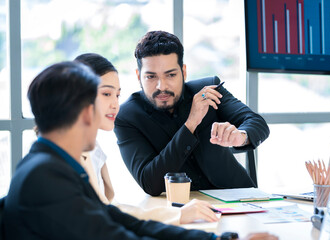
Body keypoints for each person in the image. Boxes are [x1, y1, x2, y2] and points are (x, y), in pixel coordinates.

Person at [2, 61, 278, 240]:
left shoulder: (51, 165)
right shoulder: (46, 177)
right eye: (105, 97)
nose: (113, 107)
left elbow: (123, 222)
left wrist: (219, 239)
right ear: (87, 112)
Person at [114, 30, 270, 196]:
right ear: (139, 76)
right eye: (151, 77)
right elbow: (150, 182)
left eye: (171, 75)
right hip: (182, 211)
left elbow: (257, 123)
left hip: (240, 198)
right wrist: (190, 124)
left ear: (184, 72)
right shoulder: (127, 117)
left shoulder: (208, 89)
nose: (162, 86)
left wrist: (241, 136)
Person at [74, 53, 219, 224]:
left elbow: (109, 210)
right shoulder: (70, 154)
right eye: (106, 94)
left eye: (117, 96)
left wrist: (177, 215)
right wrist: (178, 216)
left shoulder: (92, 149)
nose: (115, 104)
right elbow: (102, 218)